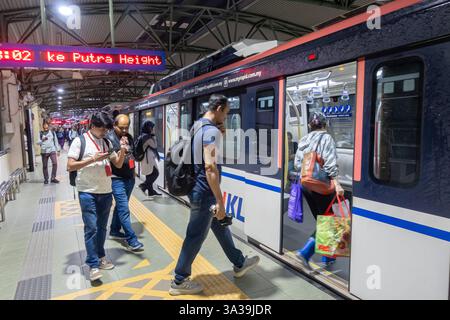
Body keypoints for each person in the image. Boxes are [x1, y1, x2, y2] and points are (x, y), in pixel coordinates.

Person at [169, 94, 260, 296]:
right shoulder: (211, 132)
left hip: (196, 187)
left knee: (220, 225)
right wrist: (220, 200)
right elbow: (210, 167)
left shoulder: (198, 125)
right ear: (218, 108)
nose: (226, 117)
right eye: (226, 113)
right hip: (204, 191)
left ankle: (239, 262)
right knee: (195, 236)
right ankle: (179, 280)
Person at [67, 111, 127, 282]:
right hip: (87, 192)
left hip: (106, 192)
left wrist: (122, 149)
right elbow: (70, 166)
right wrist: (92, 159)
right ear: (93, 126)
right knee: (91, 228)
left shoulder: (107, 142)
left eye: (107, 130)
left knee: (101, 228)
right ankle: (93, 265)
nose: (105, 133)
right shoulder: (80, 141)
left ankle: (101, 256)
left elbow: (118, 163)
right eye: (102, 130)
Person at [293, 112, 345, 269]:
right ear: (325, 125)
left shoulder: (304, 139)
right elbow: (330, 163)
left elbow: (297, 163)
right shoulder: (327, 138)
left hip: (306, 184)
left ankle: (328, 257)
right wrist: (336, 183)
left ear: (309, 125)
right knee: (330, 222)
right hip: (321, 185)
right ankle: (305, 252)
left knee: (323, 220)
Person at [107, 114, 144, 252]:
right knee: (124, 209)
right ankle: (132, 240)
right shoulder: (109, 139)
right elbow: (116, 163)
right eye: (121, 128)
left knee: (121, 206)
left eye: (126, 127)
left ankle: (115, 230)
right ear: (114, 125)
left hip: (129, 177)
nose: (124, 130)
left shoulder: (128, 137)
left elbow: (132, 154)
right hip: (116, 179)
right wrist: (122, 149)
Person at [137, 120, 162, 197]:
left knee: (150, 174)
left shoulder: (143, 135)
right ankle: (143, 186)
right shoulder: (147, 137)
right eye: (152, 128)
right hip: (148, 159)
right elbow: (154, 145)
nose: (153, 129)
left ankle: (151, 191)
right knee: (155, 173)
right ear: (149, 128)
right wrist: (153, 135)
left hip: (147, 158)